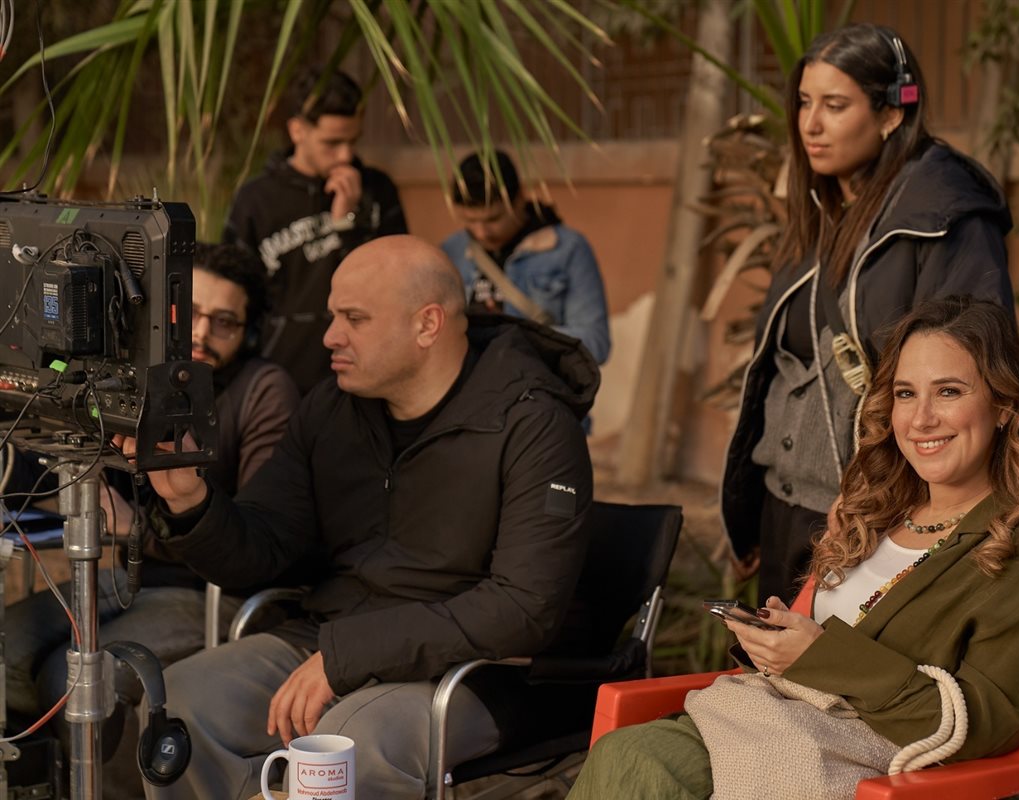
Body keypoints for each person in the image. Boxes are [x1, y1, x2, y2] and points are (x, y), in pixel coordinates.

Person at [570, 295, 1019, 799]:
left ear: (1004, 406)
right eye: (906, 393)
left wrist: (819, 657)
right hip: (766, 723)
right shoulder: (879, 513)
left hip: (862, 761)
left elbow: (989, 726)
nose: (921, 418)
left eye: (949, 391)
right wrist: (781, 639)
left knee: (637, 766)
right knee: (629, 756)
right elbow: (822, 641)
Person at [124, 235, 597, 799]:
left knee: (348, 743)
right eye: (332, 316)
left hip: (476, 672)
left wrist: (350, 655)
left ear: (427, 325)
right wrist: (190, 501)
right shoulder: (332, 407)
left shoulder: (534, 424)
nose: (329, 336)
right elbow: (262, 548)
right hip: (330, 638)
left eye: (354, 318)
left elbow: (522, 608)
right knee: (181, 701)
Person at [721, 23, 1015, 605]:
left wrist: (877, 493)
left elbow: (969, 376)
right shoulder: (822, 208)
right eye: (804, 102)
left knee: (832, 664)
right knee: (771, 659)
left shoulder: (946, 216)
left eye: (835, 106)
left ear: (890, 114)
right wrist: (745, 508)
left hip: (870, 516)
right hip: (784, 508)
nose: (810, 124)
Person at [3, 243, 300, 790]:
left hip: (212, 591)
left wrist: (132, 527)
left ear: (252, 331)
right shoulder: (140, 372)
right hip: (134, 576)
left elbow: (258, 537)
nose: (202, 333)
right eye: (192, 315)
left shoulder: (264, 391)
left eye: (225, 322)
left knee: (72, 678)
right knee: (8, 650)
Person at [224, 66, 409, 394]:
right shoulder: (256, 200)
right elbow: (236, 294)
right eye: (332, 143)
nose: (346, 155)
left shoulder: (377, 190)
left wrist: (347, 223)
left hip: (369, 375)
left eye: (353, 141)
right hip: (284, 379)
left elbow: (399, 281)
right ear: (297, 130)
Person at [441, 150, 611, 365]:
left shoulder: (568, 249)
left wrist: (516, 335)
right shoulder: (452, 250)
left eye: (493, 219)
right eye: (470, 221)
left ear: (519, 199)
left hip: (536, 382)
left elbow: (596, 344)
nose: (481, 233)